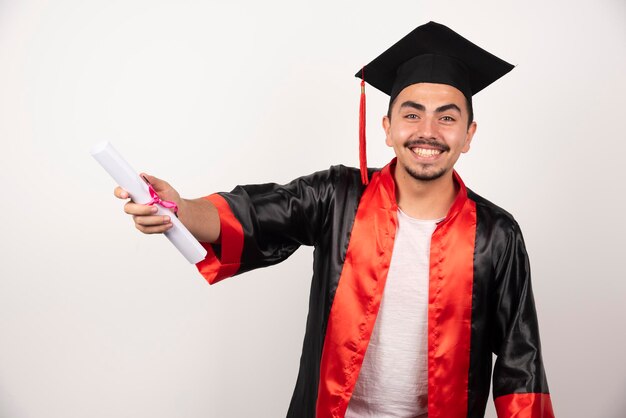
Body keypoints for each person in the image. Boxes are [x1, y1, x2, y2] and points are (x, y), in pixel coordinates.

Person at [114, 22, 554, 418]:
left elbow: (521, 363)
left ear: (468, 136)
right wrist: (178, 208)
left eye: (447, 118)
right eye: (412, 113)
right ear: (387, 127)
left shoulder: (497, 235)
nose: (428, 131)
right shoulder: (337, 196)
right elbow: (253, 215)